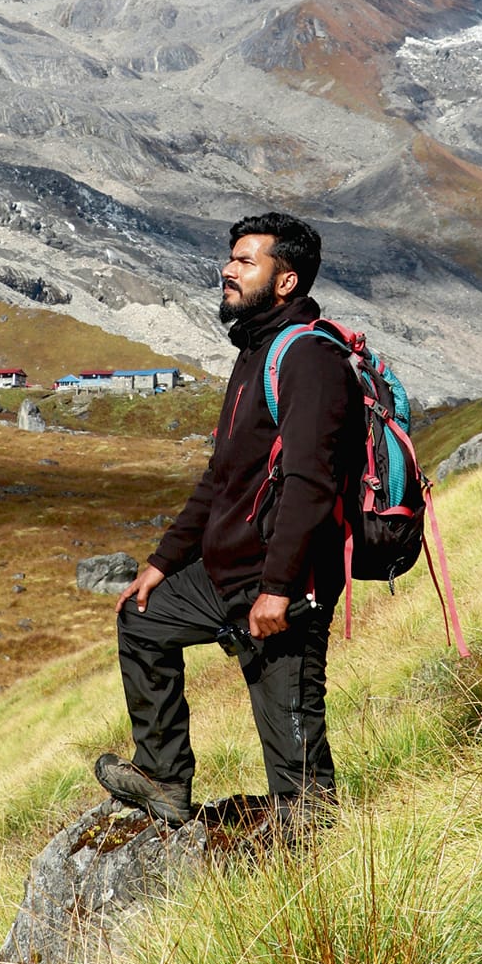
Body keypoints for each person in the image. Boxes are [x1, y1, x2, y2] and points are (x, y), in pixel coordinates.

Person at [95, 211, 362, 827]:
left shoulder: (310, 361)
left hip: (282, 590)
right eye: (231, 258)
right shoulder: (256, 351)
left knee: (296, 769)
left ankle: (322, 863)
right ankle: (162, 778)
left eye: (246, 261)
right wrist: (163, 563)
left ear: (286, 279)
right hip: (225, 575)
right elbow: (222, 478)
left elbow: (310, 485)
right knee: (143, 622)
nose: (228, 270)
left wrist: (279, 587)